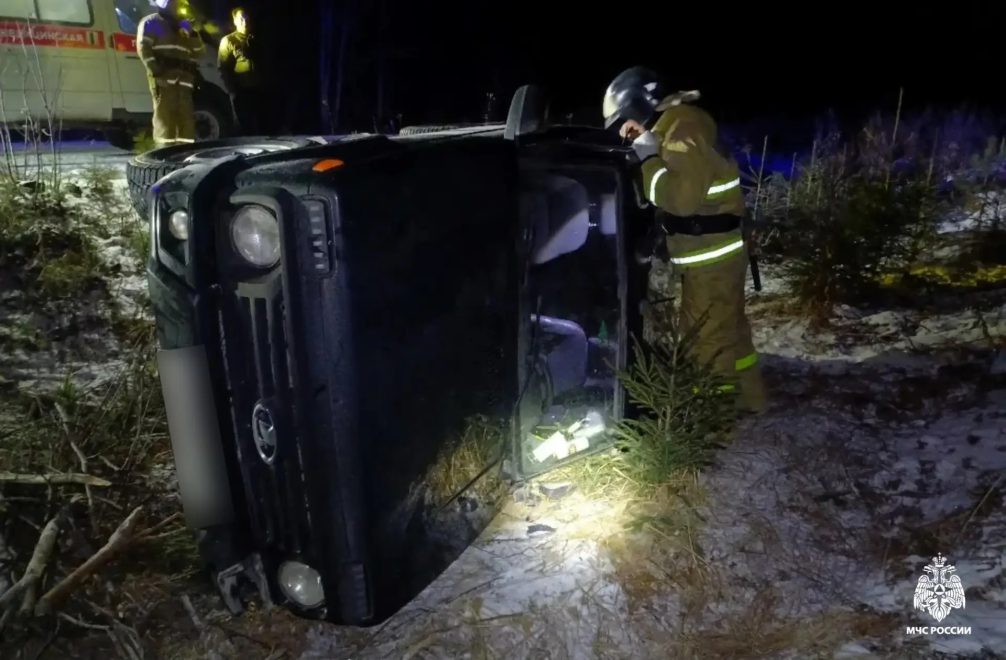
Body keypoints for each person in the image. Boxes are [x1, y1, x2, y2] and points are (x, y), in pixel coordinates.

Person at [602, 66, 767, 414]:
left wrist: (648, 159)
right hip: (717, 254)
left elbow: (680, 199)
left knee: (706, 343)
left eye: (625, 117)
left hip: (710, 258)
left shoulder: (682, 129)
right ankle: (751, 401)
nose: (625, 127)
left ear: (639, 104)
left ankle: (710, 421)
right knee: (730, 334)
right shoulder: (679, 125)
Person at [137, 0, 204, 146]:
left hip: (185, 83)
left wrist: (192, 33)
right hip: (164, 80)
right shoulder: (152, 22)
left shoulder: (185, 26)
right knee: (165, 121)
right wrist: (156, 71)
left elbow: (199, 53)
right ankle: (164, 157)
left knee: (186, 123)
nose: (177, 5)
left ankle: (185, 155)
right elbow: (144, 48)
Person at [217, 7, 267, 135]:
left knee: (261, 125)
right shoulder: (228, 41)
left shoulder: (255, 38)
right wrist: (232, 91)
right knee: (244, 126)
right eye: (241, 19)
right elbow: (223, 67)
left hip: (257, 90)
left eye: (246, 18)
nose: (244, 21)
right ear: (235, 21)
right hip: (241, 92)